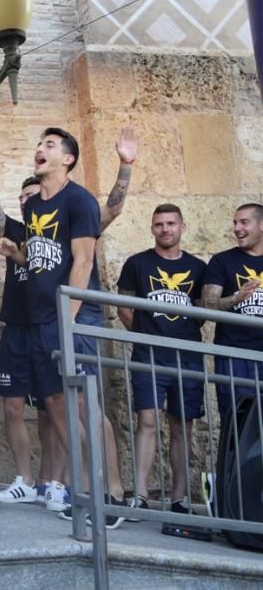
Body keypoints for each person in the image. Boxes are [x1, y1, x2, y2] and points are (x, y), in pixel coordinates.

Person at [0, 131, 136, 509]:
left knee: (85, 404)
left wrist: (67, 321)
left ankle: (112, 492)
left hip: (71, 319)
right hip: (38, 320)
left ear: (68, 159)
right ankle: (84, 489)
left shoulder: (79, 200)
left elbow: (83, 261)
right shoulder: (36, 208)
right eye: (39, 143)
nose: (40, 148)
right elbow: (41, 262)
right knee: (55, 404)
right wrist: (16, 256)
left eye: (50, 145)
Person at [116, 204, 207, 516]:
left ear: (182, 227)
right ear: (152, 228)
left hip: (188, 358)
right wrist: (145, 336)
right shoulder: (137, 264)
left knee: (183, 426)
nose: (165, 229)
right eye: (159, 224)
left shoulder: (198, 267)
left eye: (170, 223)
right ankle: (140, 493)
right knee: (148, 421)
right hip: (149, 356)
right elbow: (124, 308)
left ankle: (180, 498)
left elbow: (202, 311)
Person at [203, 203, 263, 414]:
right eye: (235, 223)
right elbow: (208, 305)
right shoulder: (222, 261)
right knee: (238, 421)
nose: (237, 228)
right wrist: (235, 298)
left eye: (244, 222)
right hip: (234, 354)